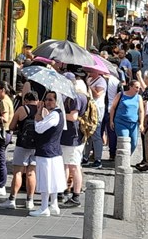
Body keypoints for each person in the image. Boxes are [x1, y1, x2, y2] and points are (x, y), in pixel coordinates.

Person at [0, 91, 39, 210]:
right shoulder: (42, 109)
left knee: (18, 172)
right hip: (36, 146)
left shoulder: (22, 109)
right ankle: (30, 200)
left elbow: (11, 126)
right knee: (31, 173)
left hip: (22, 144)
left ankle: (12, 200)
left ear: (25, 100)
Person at [29, 91, 67, 217]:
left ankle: (44, 207)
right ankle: (53, 205)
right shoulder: (56, 114)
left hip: (47, 151)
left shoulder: (55, 115)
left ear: (56, 101)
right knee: (53, 180)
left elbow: (39, 128)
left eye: (51, 99)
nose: (47, 102)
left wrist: (37, 116)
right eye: (46, 99)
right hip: (53, 151)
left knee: (45, 180)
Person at [59, 73, 88, 207]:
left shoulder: (76, 97)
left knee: (74, 166)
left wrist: (58, 114)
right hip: (72, 135)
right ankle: (64, 191)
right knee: (66, 164)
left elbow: (73, 116)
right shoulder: (79, 96)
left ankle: (75, 195)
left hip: (73, 136)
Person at [109, 80, 145, 154]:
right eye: (136, 87)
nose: (138, 90)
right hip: (121, 122)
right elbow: (113, 108)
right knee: (124, 141)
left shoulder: (139, 97)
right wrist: (111, 121)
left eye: (139, 88)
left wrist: (141, 123)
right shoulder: (121, 95)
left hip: (133, 124)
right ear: (130, 86)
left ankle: (125, 159)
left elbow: (141, 111)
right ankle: (121, 161)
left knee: (134, 144)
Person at [82, 70, 107, 169]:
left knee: (96, 134)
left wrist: (89, 86)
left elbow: (97, 94)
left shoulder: (101, 81)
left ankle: (98, 159)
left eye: (92, 70)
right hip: (89, 109)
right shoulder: (89, 79)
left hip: (97, 110)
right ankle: (85, 156)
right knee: (87, 133)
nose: (90, 72)